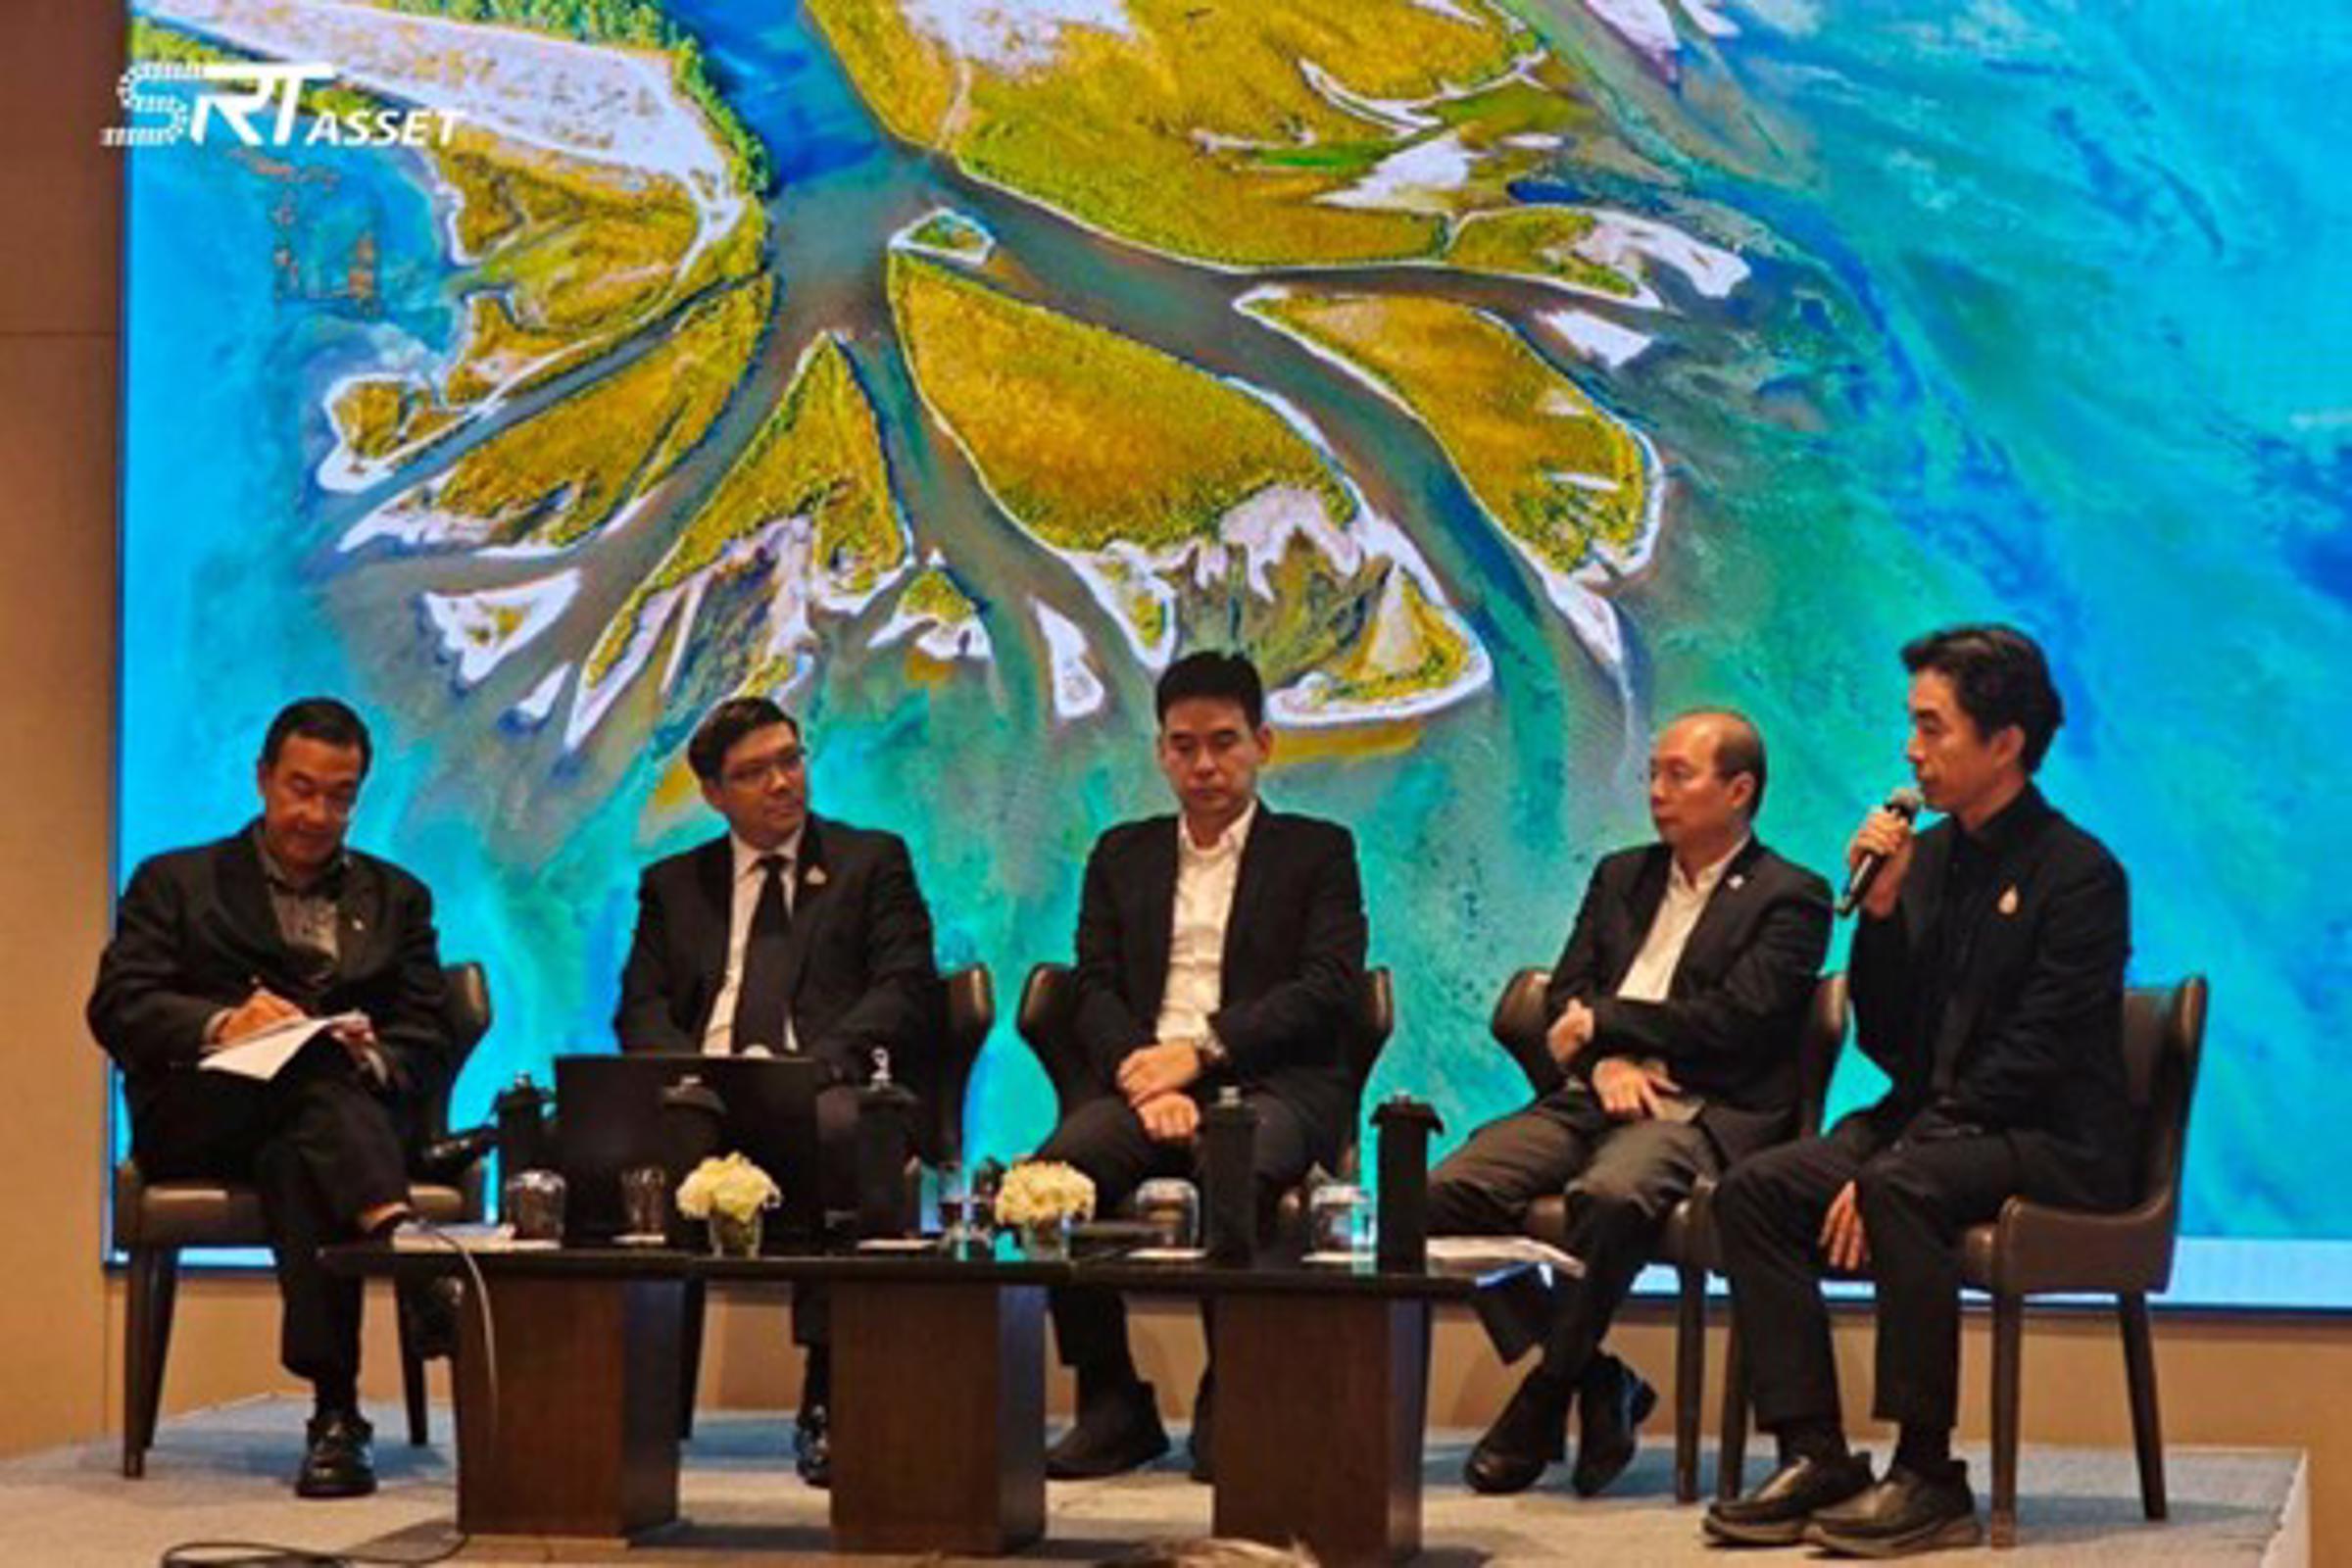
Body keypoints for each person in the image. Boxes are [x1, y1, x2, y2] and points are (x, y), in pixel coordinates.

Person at [1704, 625, 2133, 1556]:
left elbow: (2036, 1058)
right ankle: (1815, 1452)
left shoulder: (2080, 876)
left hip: (2053, 1138)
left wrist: (1905, 1153)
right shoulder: (1926, 860)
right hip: (1932, 1124)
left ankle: (1928, 1473)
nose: (1911, 750)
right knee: (1755, 1192)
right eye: (1912, 725)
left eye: (1933, 728)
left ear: (2004, 742)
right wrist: (1884, 912)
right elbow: (1892, 1041)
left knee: (1899, 1186)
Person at [1430, 710, 1832, 1497]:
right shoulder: (1623, 875)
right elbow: (1567, 993)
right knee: (1437, 1196)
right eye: (1652, 773)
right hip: (1594, 1093)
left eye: (1678, 775)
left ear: (1739, 790)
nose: (1655, 791)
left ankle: (1545, 1391)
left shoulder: (1791, 896)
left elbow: (1739, 1021)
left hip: (1697, 1105)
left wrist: (1608, 1023)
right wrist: (1607, 1057)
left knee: (1612, 1196)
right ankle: (1594, 1373)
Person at [89, 698, 456, 1498]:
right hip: (201, 1113)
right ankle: (405, 1244)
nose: (316, 815)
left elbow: (427, 1034)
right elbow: (119, 1005)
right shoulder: (176, 882)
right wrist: (224, 1023)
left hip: (324, 1121)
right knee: (310, 1084)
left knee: (301, 1142)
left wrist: (372, 1056)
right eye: (301, 789)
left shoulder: (398, 898)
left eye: (339, 796)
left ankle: (336, 1416)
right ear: (263, 779)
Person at [1036, 651, 1368, 1483]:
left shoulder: (1318, 851)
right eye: (1184, 746)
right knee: (1050, 1183)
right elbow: (1093, 987)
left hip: (1271, 1084)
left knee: (1235, 1162)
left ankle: (1236, 1394)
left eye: (1224, 742)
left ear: (1263, 744)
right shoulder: (1122, 854)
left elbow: (1328, 988)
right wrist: (1143, 1074)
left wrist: (1202, 1054)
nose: (1205, 765)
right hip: (1146, 1080)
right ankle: (1113, 1402)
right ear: (1161, 753)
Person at [615, 695, 941, 1487]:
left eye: (790, 761)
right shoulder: (673, 885)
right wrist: (694, 1077)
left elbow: (904, 989)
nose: (782, 783)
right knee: (608, 1143)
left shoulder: (871, 861)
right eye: (754, 772)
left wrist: (814, 1066)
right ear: (713, 793)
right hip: (704, 1094)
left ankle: (828, 1394)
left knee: (835, 1135)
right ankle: (634, 1403)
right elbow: (641, 1009)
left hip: (823, 1085)